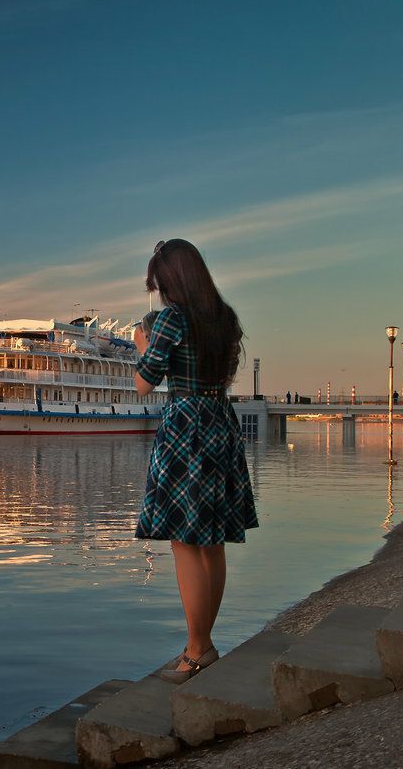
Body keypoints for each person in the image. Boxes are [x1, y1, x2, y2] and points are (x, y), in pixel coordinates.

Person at [132, 238, 258, 684]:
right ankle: (202, 644)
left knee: (184, 539)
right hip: (219, 419)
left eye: (159, 283)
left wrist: (141, 343)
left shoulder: (170, 320)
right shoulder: (225, 319)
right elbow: (225, 376)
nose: (159, 292)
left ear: (171, 281)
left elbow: (145, 384)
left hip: (185, 422)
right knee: (213, 538)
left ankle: (197, 648)